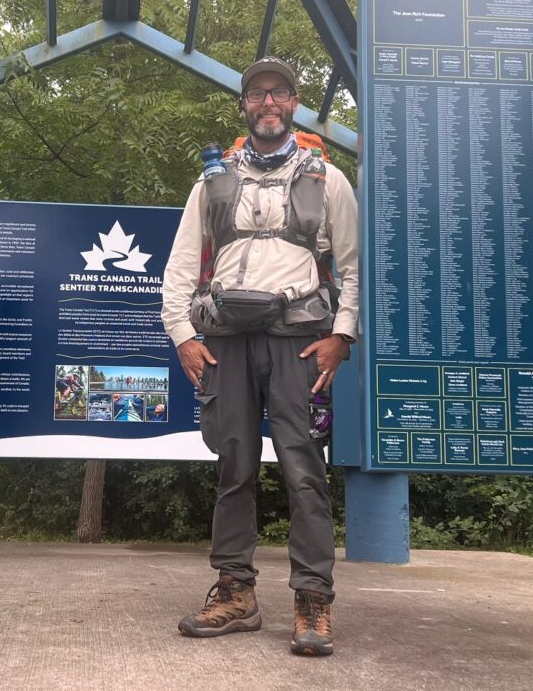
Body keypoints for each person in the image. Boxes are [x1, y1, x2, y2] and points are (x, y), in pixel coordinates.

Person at [161, 56, 358, 657]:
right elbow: (179, 264)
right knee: (234, 465)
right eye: (257, 95)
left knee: (303, 470)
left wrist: (342, 335)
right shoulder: (211, 180)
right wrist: (181, 335)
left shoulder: (328, 180)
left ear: (294, 104)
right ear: (244, 105)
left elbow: (351, 268)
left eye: (279, 93)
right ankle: (236, 593)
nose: (267, 103)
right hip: (225, 342)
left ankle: (313, 599)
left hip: (299, 337)